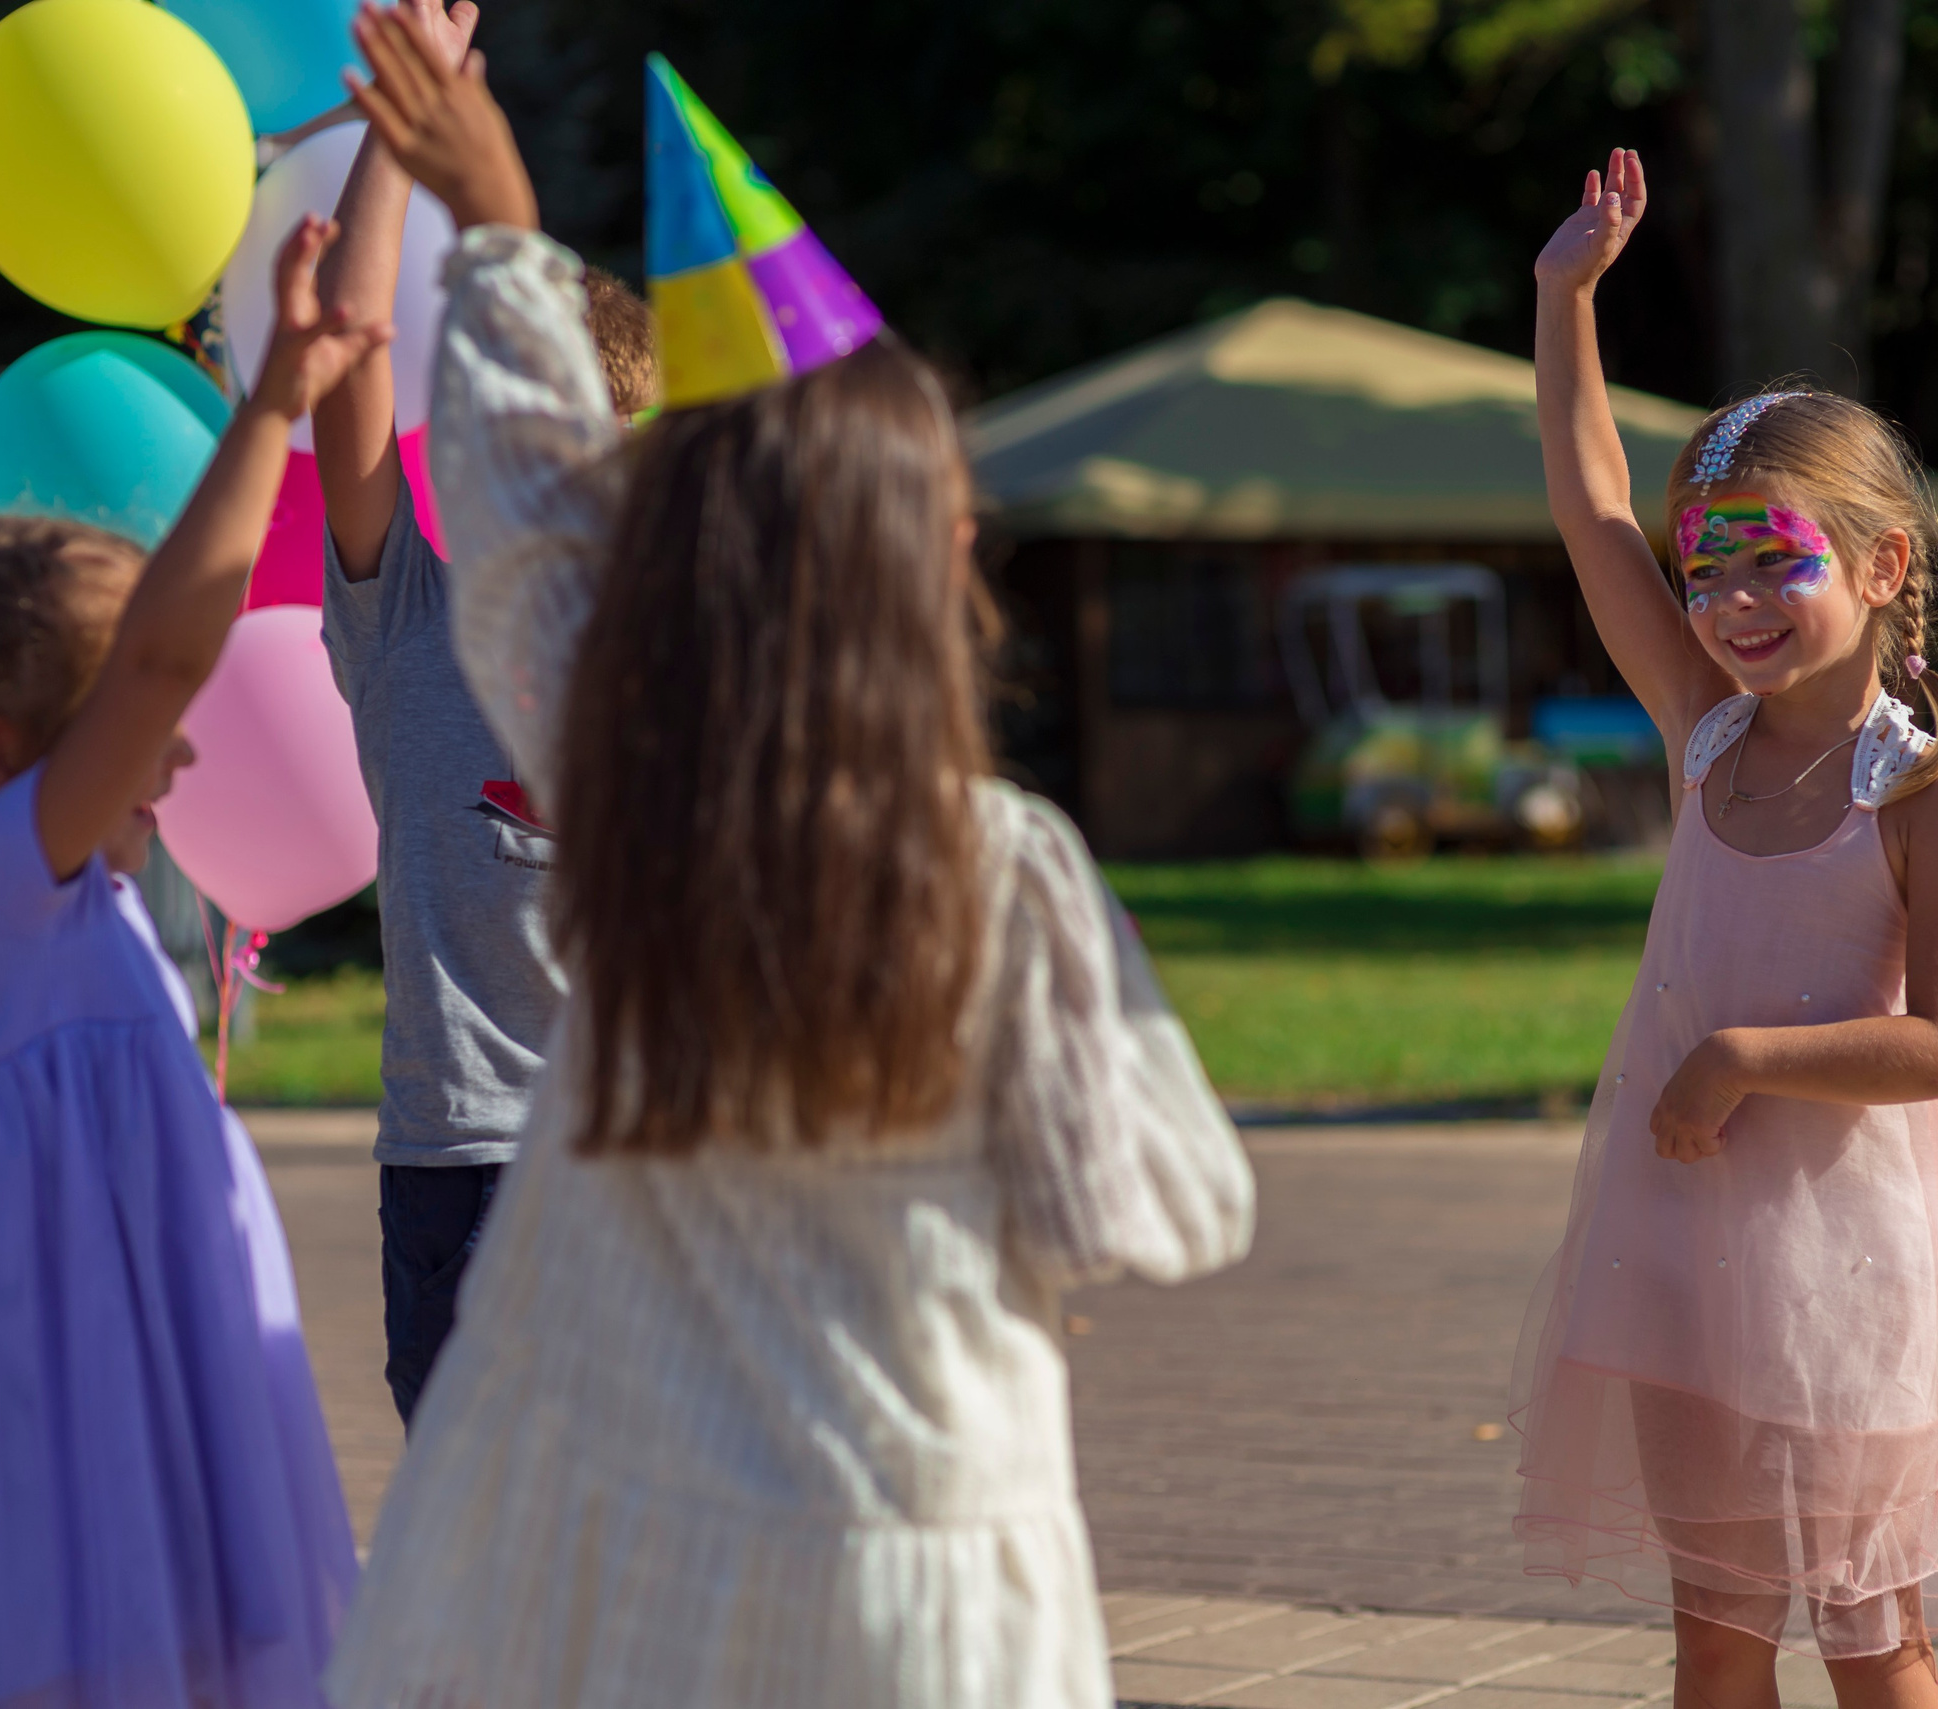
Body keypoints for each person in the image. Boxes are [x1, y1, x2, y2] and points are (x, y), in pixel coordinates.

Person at [319, 14, 1256, 1708]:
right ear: (941, 559)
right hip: (941, 1571)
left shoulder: (629, 798)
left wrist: (502, 210)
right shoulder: (1005, 866)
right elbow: (1164, 1201)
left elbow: (530, 515)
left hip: (671, 1548)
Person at [0, 217, 386, 1709]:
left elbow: (152, 680)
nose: (179, 750)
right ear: (4, 752)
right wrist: (265, 411)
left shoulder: (40, 892)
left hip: (133, 1305)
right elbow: (167, 658)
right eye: (127, 734)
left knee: (174, 1639)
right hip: (79, 1335)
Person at [1504, 150, 1938, 1709]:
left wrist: (1738, 1053)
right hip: (1676, 1246)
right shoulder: (1705, 735)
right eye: (1707, 566)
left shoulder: (1931, 796)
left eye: (1772, 561)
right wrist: (1563, 300)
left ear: (1879, 569)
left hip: (1852, 1268)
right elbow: (1591, 499)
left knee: (1878, 1639)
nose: (1728, 600)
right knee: (1717, 1630)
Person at [307, 0, 655, 1428]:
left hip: (645, 1165)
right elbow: (352, 369)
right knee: (473, 1554)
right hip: (456, 1171)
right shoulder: (409, 620)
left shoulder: (685, 663)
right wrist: (398, 147)